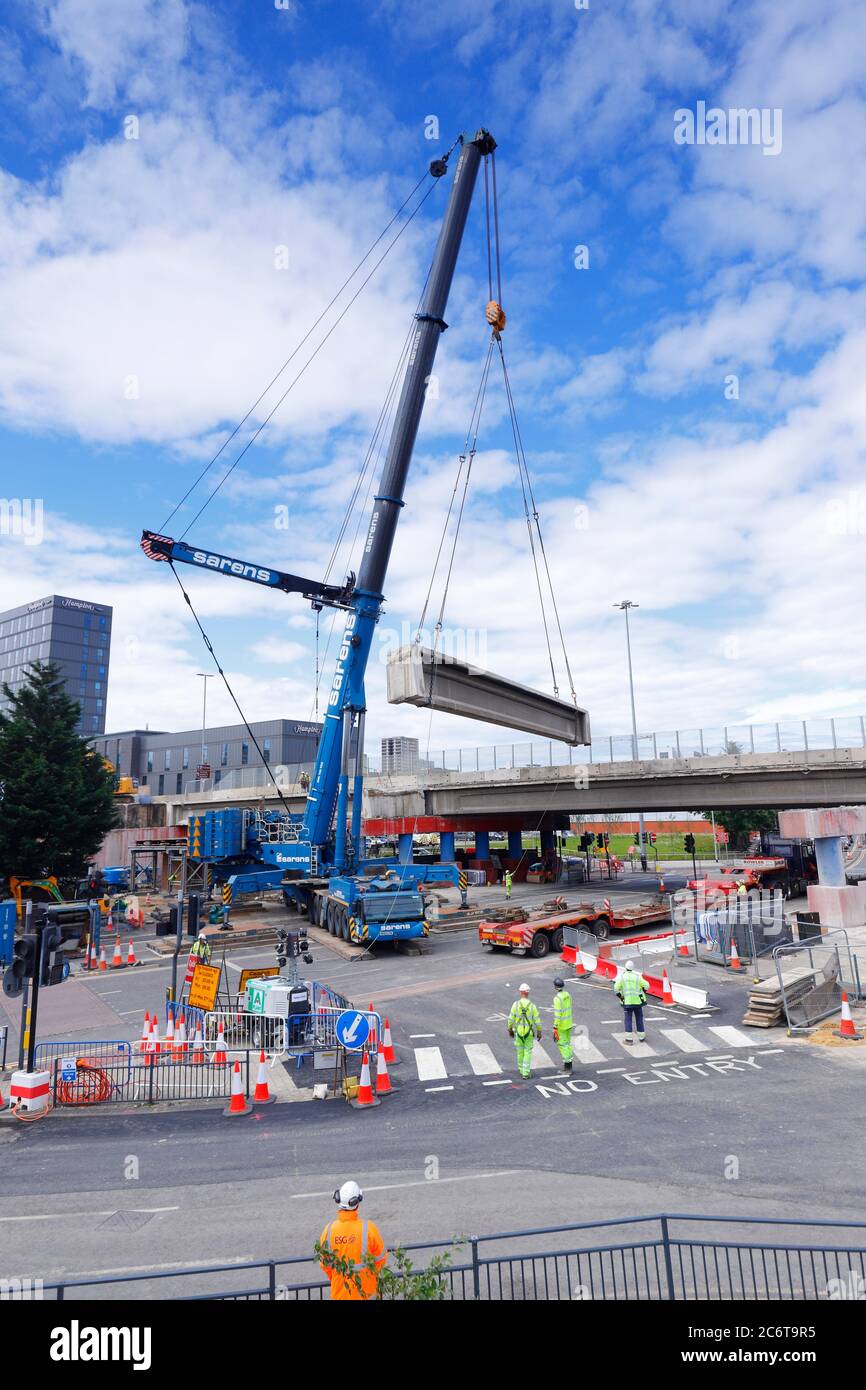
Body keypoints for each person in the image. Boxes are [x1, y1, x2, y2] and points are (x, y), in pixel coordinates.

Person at [319, 1181, 387, 1300]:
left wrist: (338, 1278)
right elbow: (381, 1259)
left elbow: (325, 1264)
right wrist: (370, 1277)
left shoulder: (328, 1230)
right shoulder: (369, 1228)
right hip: (366, 1294)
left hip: (340, 1295)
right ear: (357, 1202)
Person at [507, 983, 542, 1079]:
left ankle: (521, 1069)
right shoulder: (532, 1006)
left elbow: (510, 1018)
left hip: (518, 1032)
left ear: (520, 992)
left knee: (520, 1052)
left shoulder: (516, 1004)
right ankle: (525, 1073)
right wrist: (539, 1031)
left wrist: (509, 1029)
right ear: (528, 992)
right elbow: (537, 1020)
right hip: (529, 1033)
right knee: (527, 1052)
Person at [614, 959, 649, 1044]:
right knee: (639, 1019)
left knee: (628, 1020)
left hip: (627, 1003)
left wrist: (620, 996)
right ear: (633, 968)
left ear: (625, 968)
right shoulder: (637, 977)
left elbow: (616, 988)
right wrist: (643, 991)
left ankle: (629, 1040)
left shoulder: (622, 977)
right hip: (637, 1002)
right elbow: (647, 985)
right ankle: (641, 1037)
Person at [552, 976, 573, 1071]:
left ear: (555, 987)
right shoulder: (567, 994)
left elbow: (558, 1015)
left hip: (561, 1026)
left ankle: (567, 1068)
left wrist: (555, 1026)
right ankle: (569, 1064)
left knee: (562, 1045)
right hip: (569, 1023)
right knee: (567, 1044)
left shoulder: (557, 998)